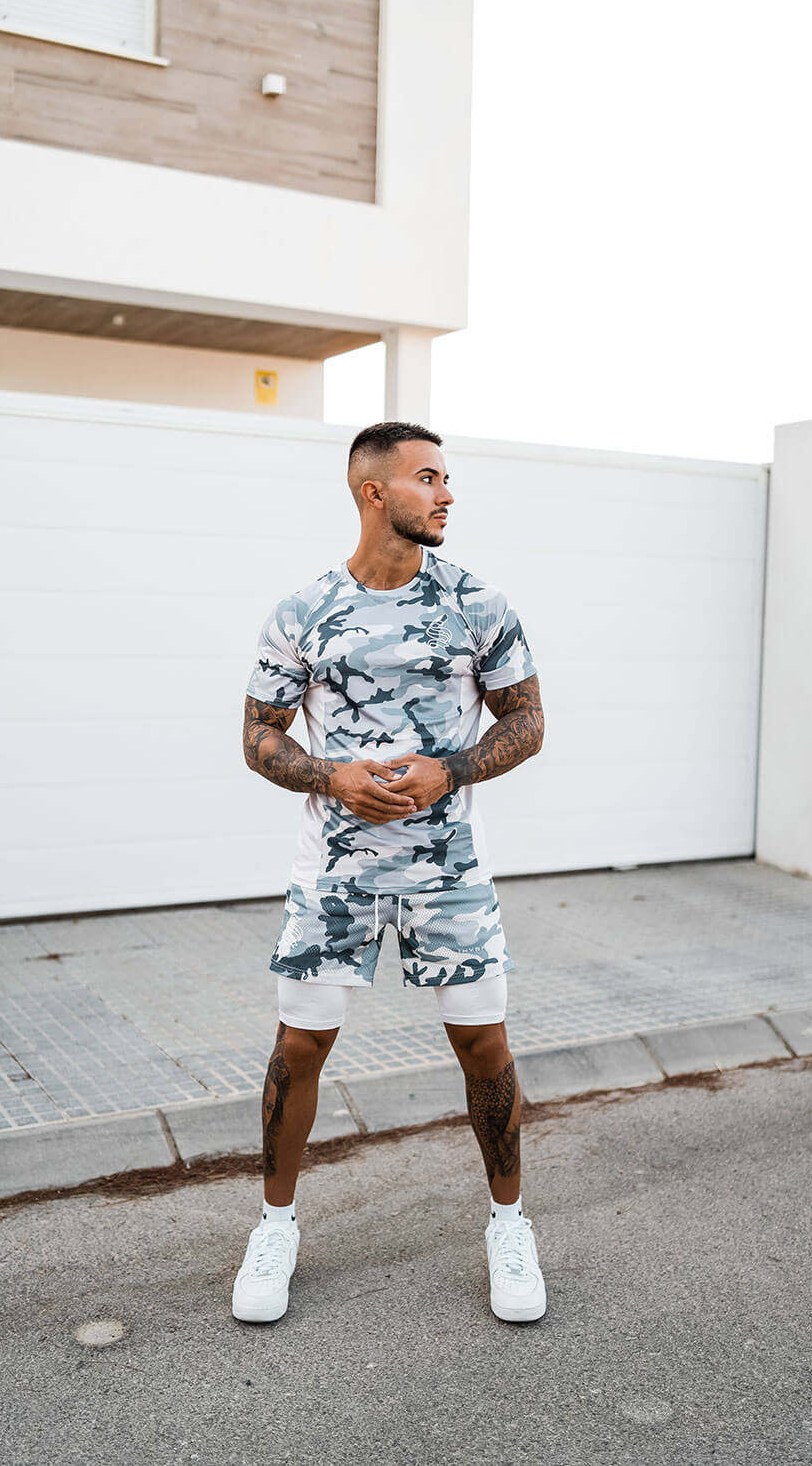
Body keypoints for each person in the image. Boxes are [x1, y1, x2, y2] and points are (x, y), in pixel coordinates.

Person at [231, 421, 546, 1325]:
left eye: (446, 479)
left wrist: (454, 769)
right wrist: (331, 776)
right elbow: (258, 736)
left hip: (449, 871)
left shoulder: (478, 605)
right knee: (300, 1047)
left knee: (483, 1045)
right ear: (374, 492)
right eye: (428, 478)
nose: (446, 494)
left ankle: (510, 1226)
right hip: (334, 872)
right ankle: (275, 1227)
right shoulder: (303, 612)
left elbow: (526, 722)